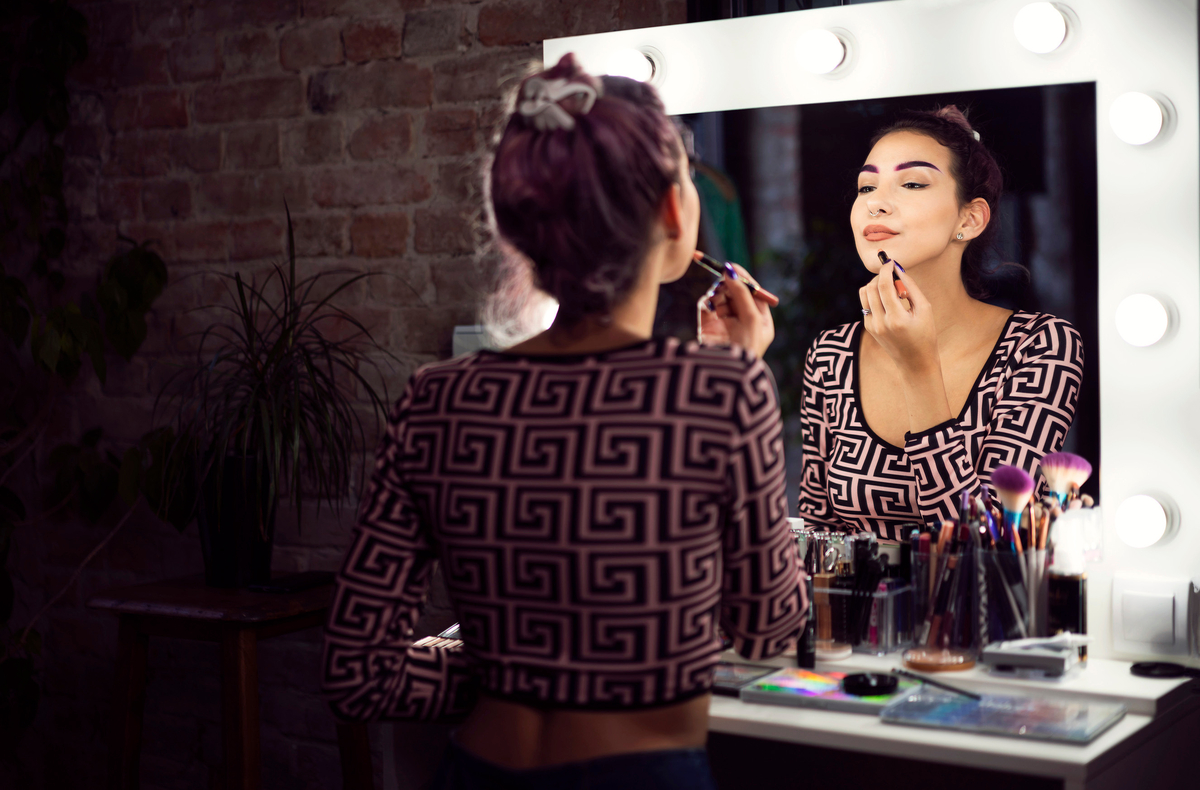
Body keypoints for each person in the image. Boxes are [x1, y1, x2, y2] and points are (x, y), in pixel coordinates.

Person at [322, 53, 808, 790]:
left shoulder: (436, 400)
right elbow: (769, 628)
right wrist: (740, 372)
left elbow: (360, 672)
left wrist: (510, 670)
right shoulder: (720, 392)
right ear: (675, 211)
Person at [797, 106, 1084, 541]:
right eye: (866, 186)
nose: (875, 201)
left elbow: (990, 543)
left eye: (911, 183)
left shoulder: (1039, 346)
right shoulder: (831, 354)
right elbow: (820, 538)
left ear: (968, 220)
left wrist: (919, 369)